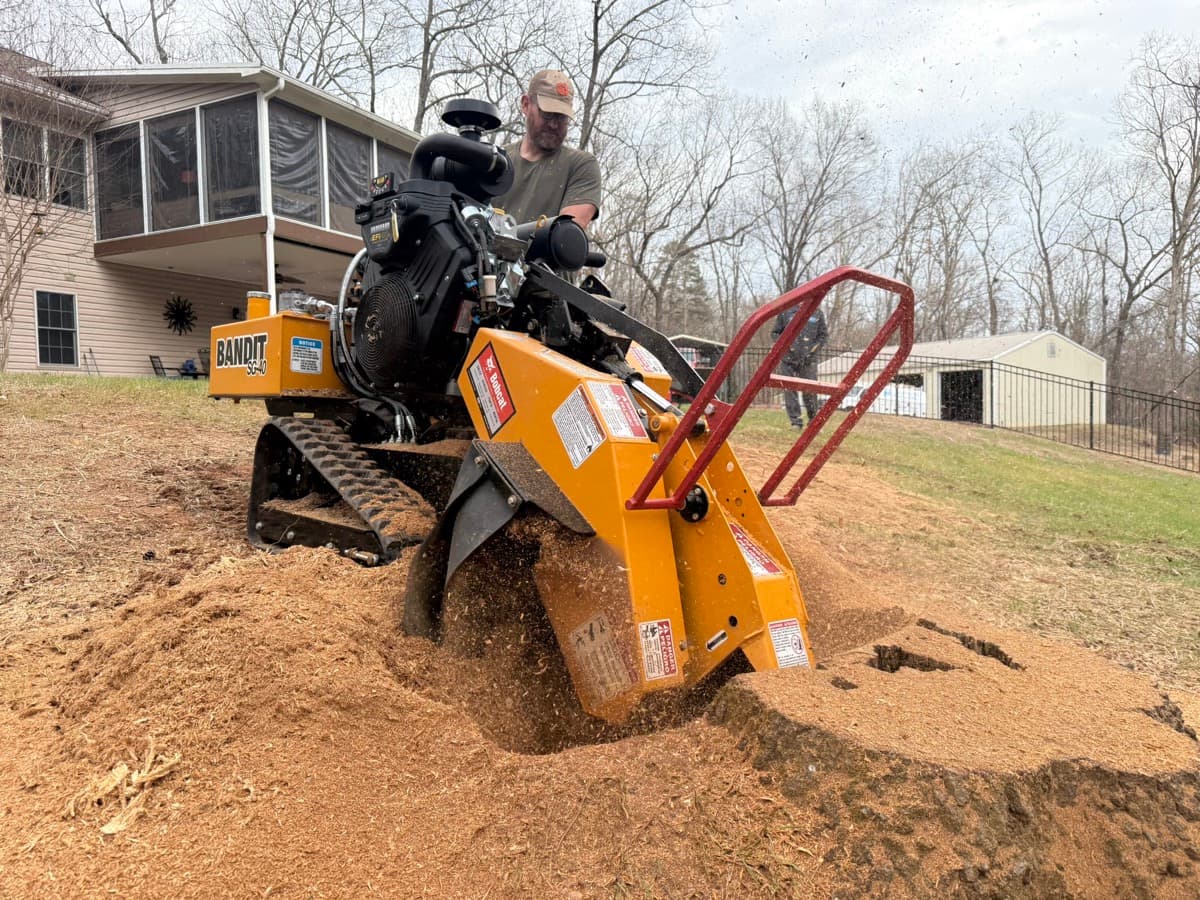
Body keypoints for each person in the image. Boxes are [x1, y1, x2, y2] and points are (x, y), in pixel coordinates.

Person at [492, 69, 602, 229]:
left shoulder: (580, 165)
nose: (554, 124)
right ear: (525, 104)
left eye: (561, 117)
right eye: (547, 114)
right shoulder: (495, 161)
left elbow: (566, 234)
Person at [772, 306, 829, 428]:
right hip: (788, 359)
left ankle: (813, 420)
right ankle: (796, 422)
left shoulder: (817, 313)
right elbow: (775, 333)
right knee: (789, 389)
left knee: (810, 389)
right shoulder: (786, 312)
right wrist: (786, 346)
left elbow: (823, 336)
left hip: (808, 360)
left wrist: (812, 351)